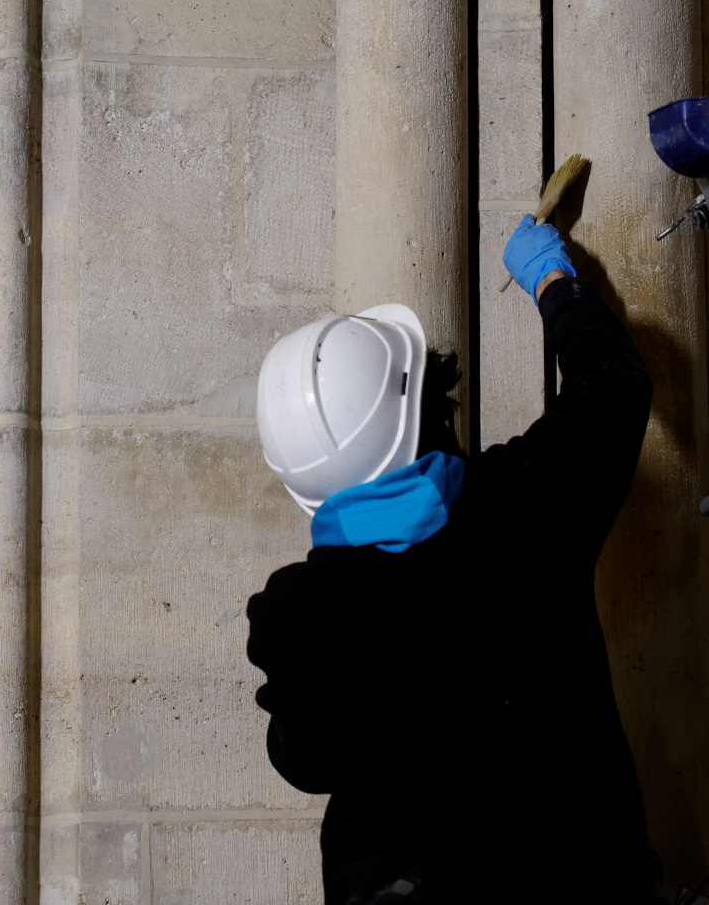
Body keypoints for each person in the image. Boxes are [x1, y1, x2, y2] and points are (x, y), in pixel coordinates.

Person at [246, 215, 660, 904]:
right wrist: (553, 279)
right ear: (420, 413)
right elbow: (614, 388)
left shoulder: (294, 615)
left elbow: (304, 761)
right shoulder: (519, 507)